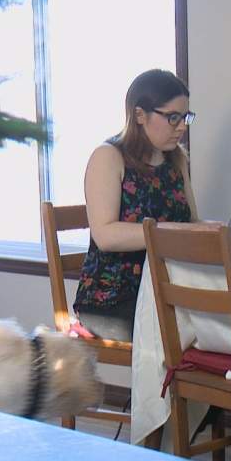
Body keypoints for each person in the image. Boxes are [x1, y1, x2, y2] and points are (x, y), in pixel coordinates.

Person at [72, 69, 197, 342]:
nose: (182, 127)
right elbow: (105, 235)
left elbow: (190, 224)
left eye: (185, 117)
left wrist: (216, 231)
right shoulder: (108, 156)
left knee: (225, 320)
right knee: (194, 331)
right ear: (140, 115)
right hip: (112, 299)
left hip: (165, 292)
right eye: (173, 118)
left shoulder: (176, 160)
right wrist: (171, 231)